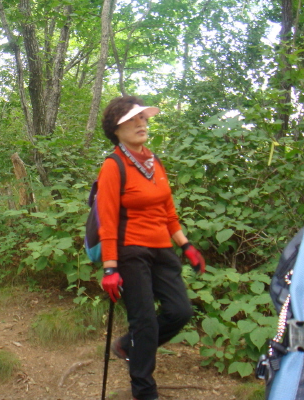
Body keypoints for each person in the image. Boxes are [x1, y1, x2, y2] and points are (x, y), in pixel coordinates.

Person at [97, 96, 206, 400]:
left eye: (143, 118)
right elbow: (107, 221)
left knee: (180, 311)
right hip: (131, 251)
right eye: (132, 120)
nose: (141, 123)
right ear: (116, 130)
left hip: (162, 249)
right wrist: (110, 267)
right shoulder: (113, 165)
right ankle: (144, 391)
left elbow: (168, 211)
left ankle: (127, 344)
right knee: (144, 320)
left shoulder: (154, 162)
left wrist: (187, 246)